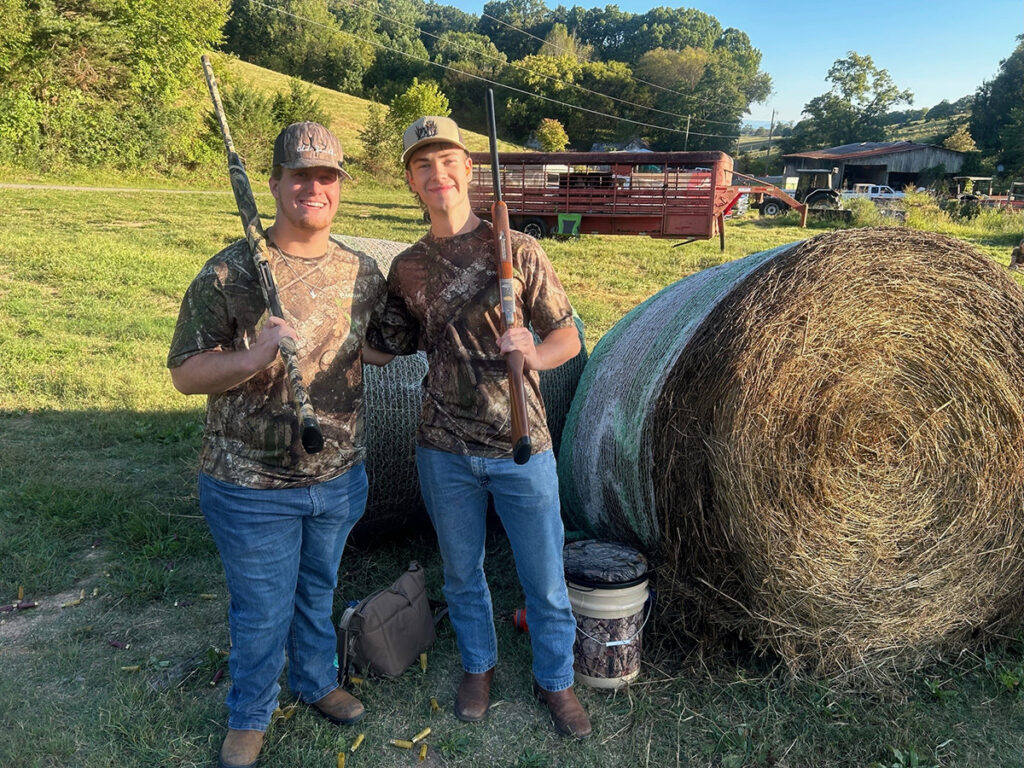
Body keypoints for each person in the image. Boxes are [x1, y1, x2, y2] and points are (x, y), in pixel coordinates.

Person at [167, 122, 391, 768]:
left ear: (340, 187)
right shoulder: (230, 271)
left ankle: (316, 679)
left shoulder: (360, 270)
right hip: (249, 484)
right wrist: (257, 352)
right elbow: (185, 372)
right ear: (275, 183)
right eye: (300, 176)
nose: (313, 188)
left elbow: (371, 345)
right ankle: (250, 712)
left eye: (326, 177)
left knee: (317, 590)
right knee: (262, 611)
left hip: (339, 475)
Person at [367, 115, 592, 738]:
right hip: (442, 448)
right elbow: (383, 346)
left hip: (522, 446)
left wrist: (535, 350)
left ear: (468, 170)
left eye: (447, 162)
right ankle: (478, 667)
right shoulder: (407, 267)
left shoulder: (517, 249)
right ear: (411, 181)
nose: (436, 174)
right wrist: (323, 333)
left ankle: (557, 681)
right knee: (461, 574)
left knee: (544, 577)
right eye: (422, 166)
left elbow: (569, 336)